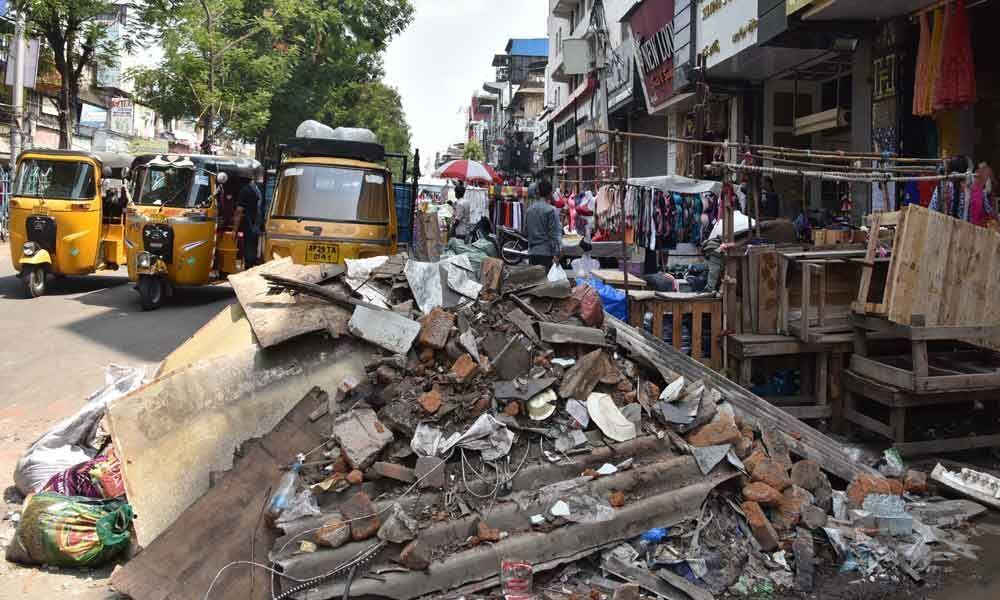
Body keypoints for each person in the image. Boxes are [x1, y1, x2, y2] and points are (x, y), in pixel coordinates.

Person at [525, 179, 562, 269]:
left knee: (535, 281)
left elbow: (526, 231)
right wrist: (557, 252)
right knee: (545, 281)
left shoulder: (529, 210)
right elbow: (554, 234)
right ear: (550, 193)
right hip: (546, 254)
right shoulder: (551, 210)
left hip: (532, 253)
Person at [232, 168, 264, 269]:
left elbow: (239, 211)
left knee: (250, 249)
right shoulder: (263, 189)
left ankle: (249, 269)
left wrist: (235, 230)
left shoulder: (245, 190)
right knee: (255, 249)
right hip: (262, 225)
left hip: (250, 225)